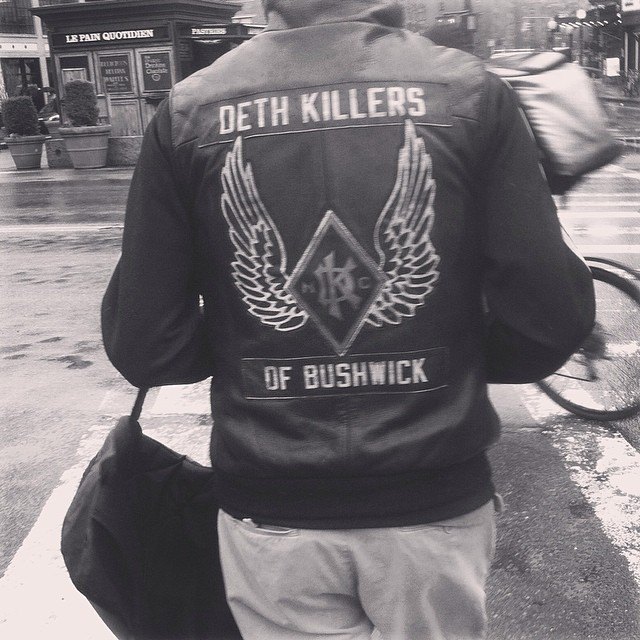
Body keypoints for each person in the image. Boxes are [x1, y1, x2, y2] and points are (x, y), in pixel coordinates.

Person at [101, 1, 596, 638]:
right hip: (433, 501)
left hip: (272, 509)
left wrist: (242, 350)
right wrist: (458, 355)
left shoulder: (190, 111)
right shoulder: (470, 94)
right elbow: (550, 317)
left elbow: (146, 343)